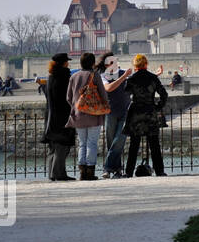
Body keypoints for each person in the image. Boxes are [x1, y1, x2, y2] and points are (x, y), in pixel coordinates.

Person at [65, 52, 110, 181]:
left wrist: (77, 106)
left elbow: (68, 97)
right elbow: (103, 93)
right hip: (94, 114)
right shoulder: (94, 75)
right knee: (92, 143)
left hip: (78, 115)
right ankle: (90, 171)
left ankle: (82, 172)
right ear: (92, 63)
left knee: (82, 143)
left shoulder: (74, 76)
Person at [123, 54, 169, 176]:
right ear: (146, 64)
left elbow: (125, 94)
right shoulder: (153, 78)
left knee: (134, 144)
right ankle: (159, 171)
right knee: (154, 144)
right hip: (150, 111)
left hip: (136, 113)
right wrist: (158, 107)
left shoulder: (131, 79)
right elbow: (164, 95)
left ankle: (128, 172)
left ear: (135, 65)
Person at [43, 53, 76, 180]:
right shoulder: (64, 76)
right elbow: (69, 96)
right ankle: (59, 173)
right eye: (67, 61)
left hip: (51, 116)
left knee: (53, 146)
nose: (68, 63)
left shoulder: (51, 77)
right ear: (63, 63)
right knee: (62, 146)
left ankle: (52, 173)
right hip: (62, 116)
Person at [101, 62, 133, 178]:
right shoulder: (104, 76)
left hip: (125, 111)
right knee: (111, 141)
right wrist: (123, 77)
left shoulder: (124, 73)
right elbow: (109, 88)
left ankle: (107, 168)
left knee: (119, 140)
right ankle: (117, 170)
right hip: (111, 112)